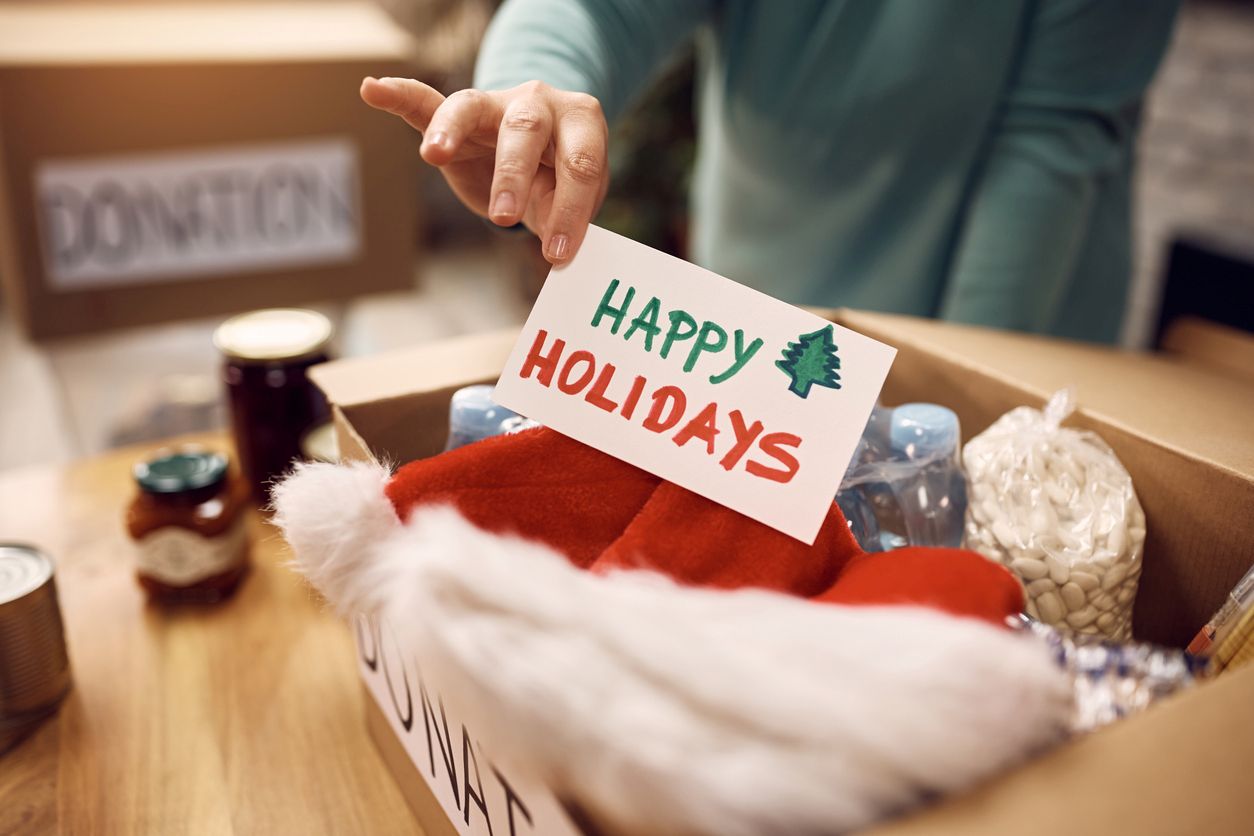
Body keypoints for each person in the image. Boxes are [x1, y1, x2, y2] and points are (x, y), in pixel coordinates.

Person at [362, 0, 1179, 343]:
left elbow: (1048, 145)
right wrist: (529, 85)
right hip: (763, 318)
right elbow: (598, 8)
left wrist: (952, 414)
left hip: (1021, 318)